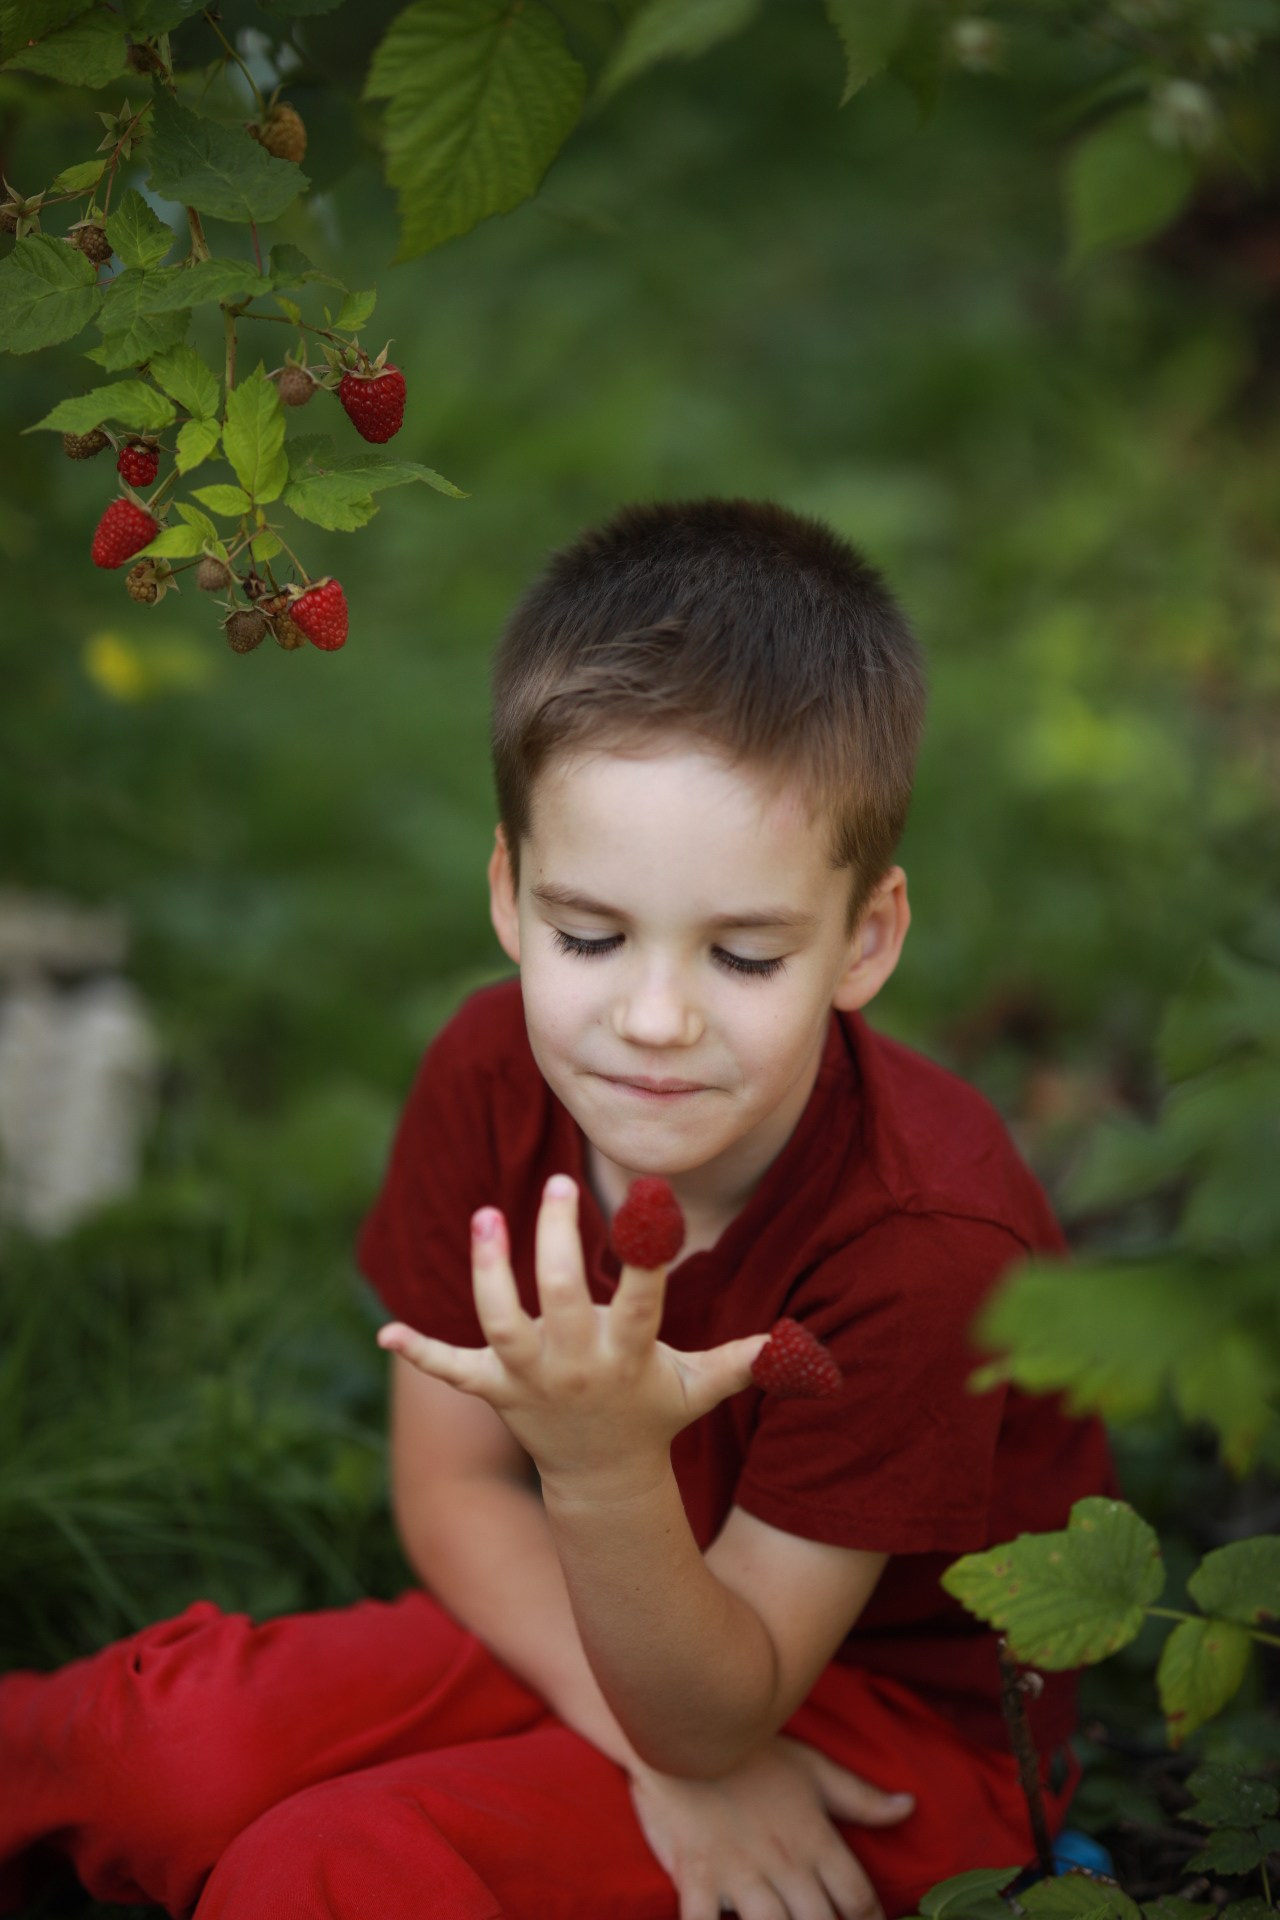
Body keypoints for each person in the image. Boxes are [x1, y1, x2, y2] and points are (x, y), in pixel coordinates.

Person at [0, 498, 1114, 1920]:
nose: (653, 1020)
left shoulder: (919, 1247)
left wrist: (601, 1479)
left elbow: (726, 1706)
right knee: (170, 1748)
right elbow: (454, 1482)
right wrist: (655, 1738)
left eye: (746, 955)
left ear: (865, 938)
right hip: (592, 1615)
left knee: (330, 1871)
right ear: (511, 897)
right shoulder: (493, 1072)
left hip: (871, 1734)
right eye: (592, 936)